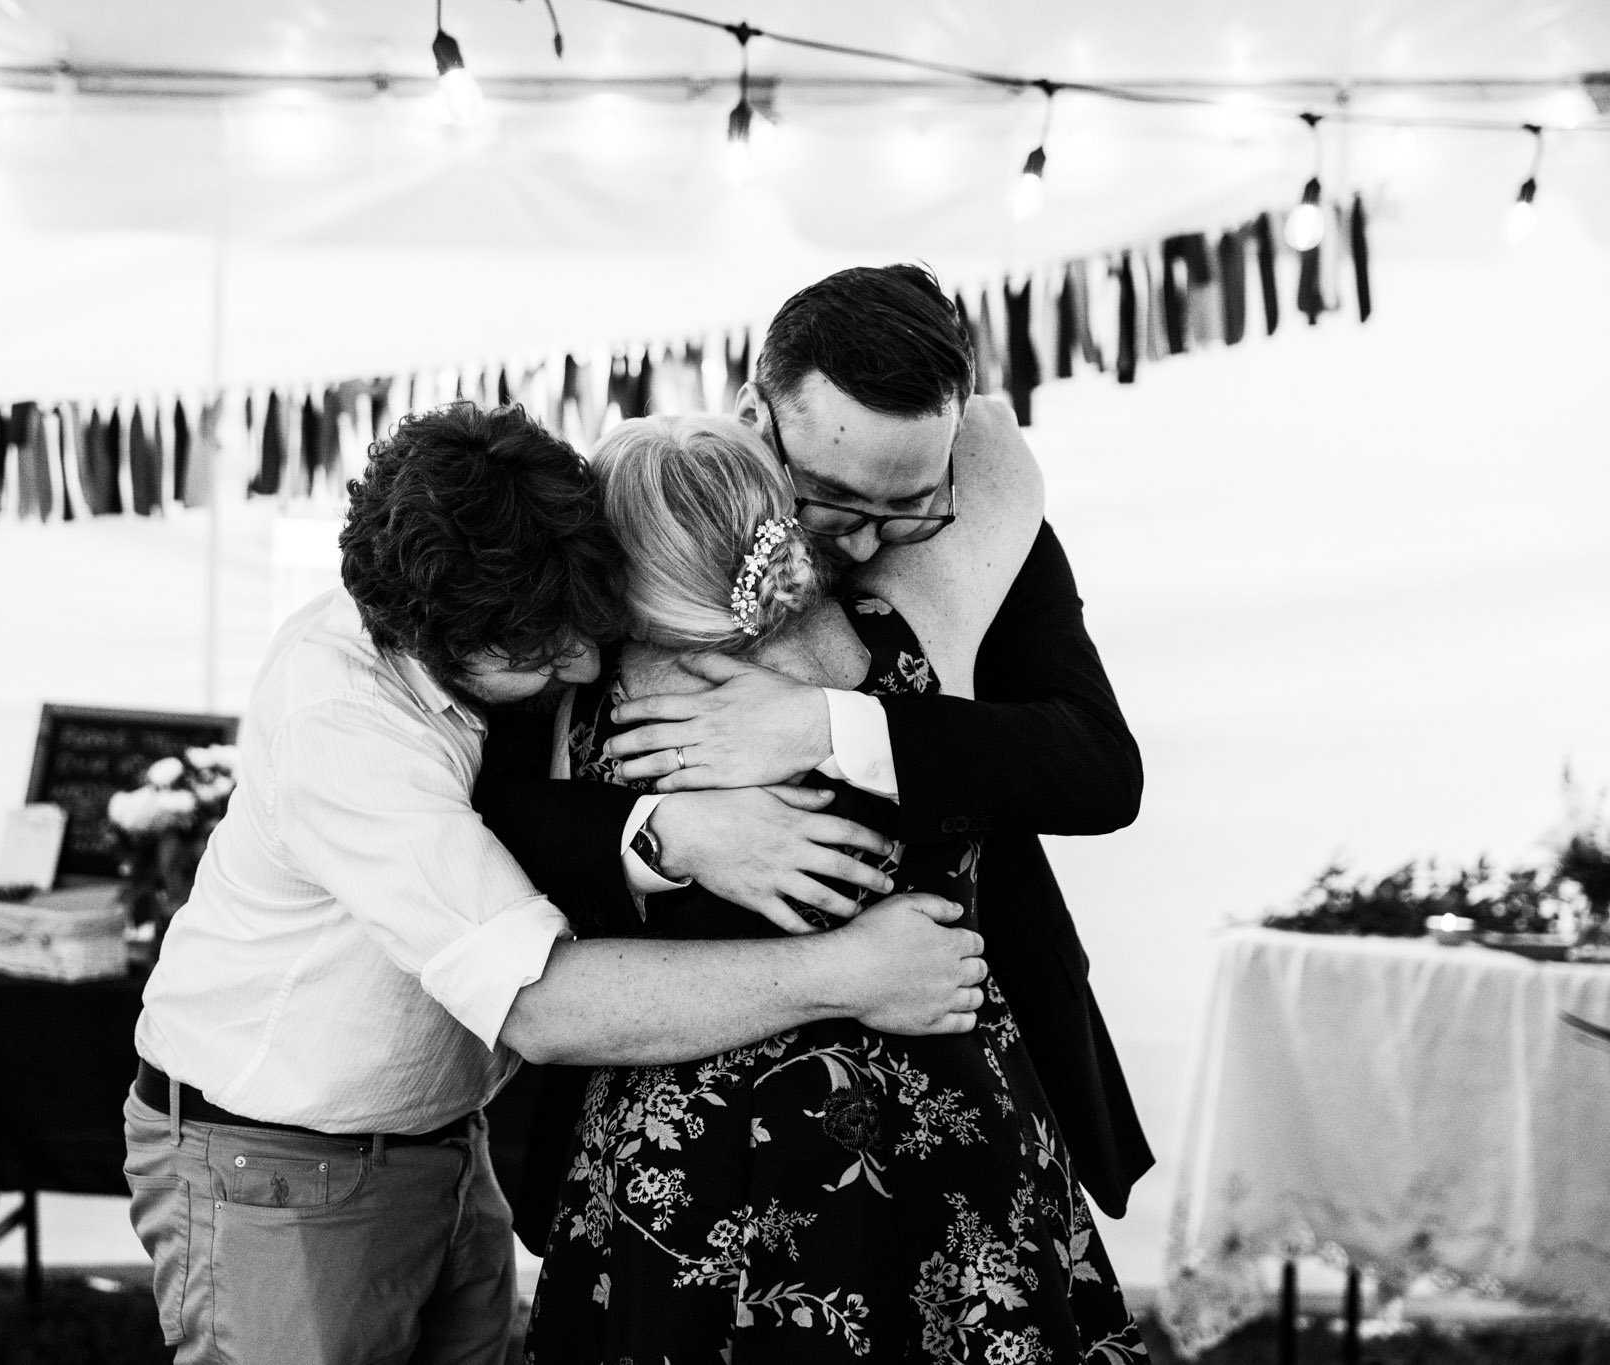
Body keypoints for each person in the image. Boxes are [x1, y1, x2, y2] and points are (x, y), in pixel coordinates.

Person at [123, 402, 990, 1365]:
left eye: (588, 624)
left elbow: (987, 439)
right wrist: (852, 971)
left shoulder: (504, 576)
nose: (580, 662)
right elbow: (539, 1002)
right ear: (430, 644)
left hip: (442, 1146)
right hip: (278, 1166)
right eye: (539, 654)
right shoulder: (345, 727)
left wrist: (668, 827)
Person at [479, 265, 1153, 1240]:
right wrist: (667, 831)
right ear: (756, 414)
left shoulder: (983, 534)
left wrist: (825, 724)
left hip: (950, 1063)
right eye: (835, 501)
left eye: (910, 504)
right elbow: (490, 799)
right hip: (673, 1131)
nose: (874, 542)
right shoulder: (620, 523)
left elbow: (1094, 768)